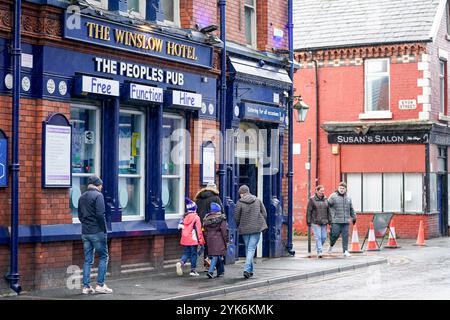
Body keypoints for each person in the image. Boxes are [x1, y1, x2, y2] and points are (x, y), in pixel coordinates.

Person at [77, 175, 113, 294]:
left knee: (88, 260)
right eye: (101, 185)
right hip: (97, 231)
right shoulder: (98, 196)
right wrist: (104, 229)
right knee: (103, 257)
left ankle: (86, 287)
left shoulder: (82, 197)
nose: (102, 187)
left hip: (85, 232)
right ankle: (100, 284)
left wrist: (86, 224)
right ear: (98, 185)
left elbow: (80, 216)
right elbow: (100, 215)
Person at [234, 185, 267, 279]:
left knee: (248, 248)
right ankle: (249, 270)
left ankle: (247, 269)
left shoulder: (239, 203)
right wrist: (260, 222)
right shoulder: (257, 200)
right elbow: (264, 213)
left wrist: (239, 225)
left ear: (242, 193)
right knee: (251, 249)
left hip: (244, 228)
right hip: (256, 227)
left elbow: (236, 216)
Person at [194, 181, 224, 268]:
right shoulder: (215, 198)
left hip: (201, 225)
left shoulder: (198, 198)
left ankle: (206, 262)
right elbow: (221, 212)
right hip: (212, 225)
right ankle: (211, 263)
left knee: (206, 244)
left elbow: (196, 211)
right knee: (213, 244)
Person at [176, 197, 205, 277]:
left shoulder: (184, 217)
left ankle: (180, 263)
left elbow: (180, 227)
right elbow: (198, 230)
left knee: (186, 253)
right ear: (194, 209)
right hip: (193, 239)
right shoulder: (196, 217)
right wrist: (201, 241)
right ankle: (193, 270)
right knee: (194, 254)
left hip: (185, 239)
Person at [327, 182, 357, 257]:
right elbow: (327, 205)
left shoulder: (348, 198)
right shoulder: (333, 196)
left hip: (346, 221)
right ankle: (331, 245)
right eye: (340, 188)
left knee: (345, 236)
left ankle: (345, 251)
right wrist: (329, 216)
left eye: (343, 188)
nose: (342, 190)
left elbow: (351, 208)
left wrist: (354, 217)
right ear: (338, 188)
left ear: (346, 189)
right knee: (335, 235)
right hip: (336, 221)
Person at [203, 202, 228, 279]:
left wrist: (207, 238)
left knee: (216, 255)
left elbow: (204, 230)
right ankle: (210, 271)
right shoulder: (221, 219)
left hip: (209, 239)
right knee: (215, 256)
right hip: (219, 239)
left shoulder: (206, 218)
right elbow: (224, 231)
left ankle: (221, 271)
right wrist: (226, 240)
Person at [306, 185, 331, 258]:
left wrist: (330, 221)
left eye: (323, 191)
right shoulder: (312, 199)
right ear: (317, 191)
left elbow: (328, 211)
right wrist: (308, 221)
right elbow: (309, 211)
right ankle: (319, 251)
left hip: (324, 222)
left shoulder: (326, 199)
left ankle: (318, 247)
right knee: (318, 237)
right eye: (321, 191)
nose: (322, 192)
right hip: (315, 222)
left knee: (323, 237)